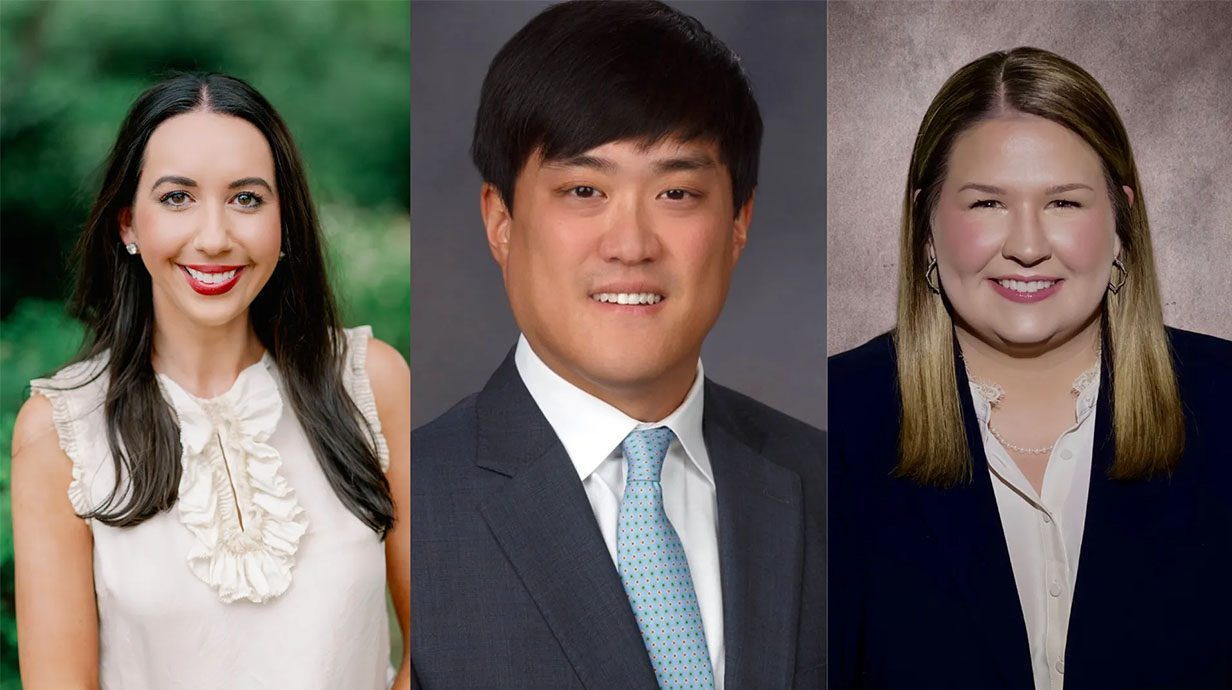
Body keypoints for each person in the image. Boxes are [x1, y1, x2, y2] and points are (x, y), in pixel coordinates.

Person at [410, 2, 825, 689]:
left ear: (739, 223)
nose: (631, 245)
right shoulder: (412, 506)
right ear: (501, 221)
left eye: (677, 193)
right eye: (583, 189)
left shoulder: (828, 485)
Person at [829, 47, 1232, 690]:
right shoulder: (831, 426)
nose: (1026, 246)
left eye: (1064, 204)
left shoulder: (1223, 401)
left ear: (1120, 221)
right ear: (926, 222)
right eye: (987, 204)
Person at [9, 73, 411, 689]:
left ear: (284, 225)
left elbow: (441, 645)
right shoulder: (62, 431)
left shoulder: (369, 383)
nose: (215, 238)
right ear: (128, 226)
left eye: (247, 199)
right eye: (177, 198)